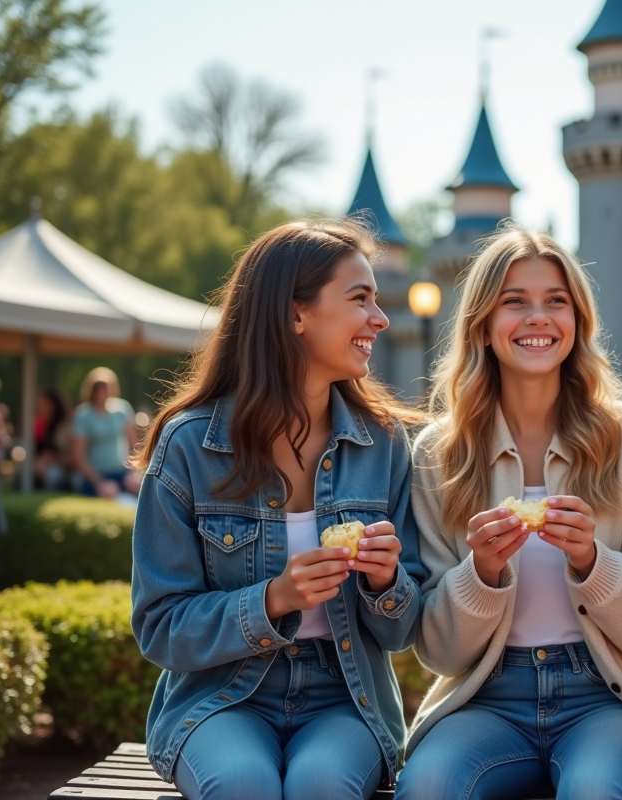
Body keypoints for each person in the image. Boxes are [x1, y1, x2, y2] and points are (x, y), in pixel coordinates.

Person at [130, 219, 427, 800]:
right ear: (296, 315)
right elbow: (159, 627)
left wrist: (387, 581)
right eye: (360, 298)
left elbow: (400, 632)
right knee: (242, 784)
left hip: (344, 697)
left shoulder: (384, 444)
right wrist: (273, 600)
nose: (381, 319)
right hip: (222, 697)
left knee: (323, 786)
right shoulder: (190, 446)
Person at [397, 226, 622, 800]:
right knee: (427, 786)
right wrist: (482, 576)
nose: (538, 318)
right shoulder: (437, 454)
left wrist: (593, 563)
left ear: (579, 321)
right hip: (485, 698)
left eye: (556, 301)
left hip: (606, 697)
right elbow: (437, 651)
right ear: (481, 324)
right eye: (514, 302)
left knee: (597, 789)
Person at [71, 367, 140, 498]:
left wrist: (134, 474)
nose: (103, 392)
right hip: (94, 477)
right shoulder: (83, 415)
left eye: (106, 387)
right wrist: (99, 483)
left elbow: (134, 446)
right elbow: (78, 457)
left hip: (122, 473)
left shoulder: (122, 409)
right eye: (99, 387)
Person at [34, 387, 72, 490]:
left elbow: (73, 458)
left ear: (52, 404)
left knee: (52, 474)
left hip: (68, 470)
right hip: (48, 465)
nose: (38, 407)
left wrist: (50, 458)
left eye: (42, 403)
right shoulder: (42, 423)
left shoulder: (65, 425)